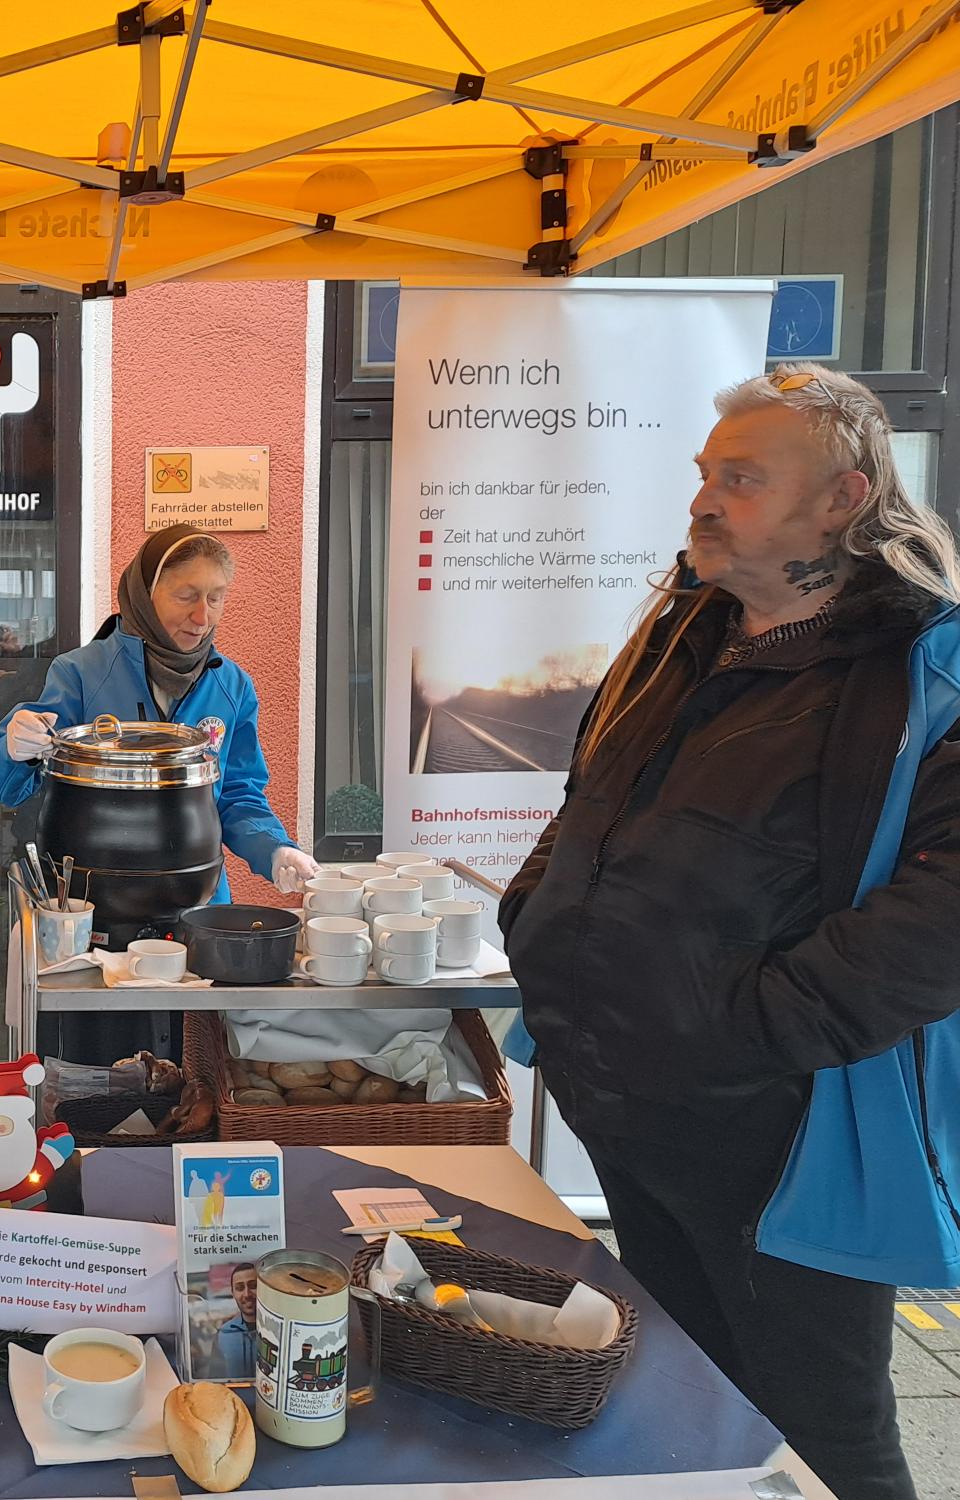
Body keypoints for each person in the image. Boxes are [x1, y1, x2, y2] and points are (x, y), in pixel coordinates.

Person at [502, 365, 960, 1500]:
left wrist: (754, 1030)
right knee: (686, 1393)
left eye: (741, 480)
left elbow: (939, 917)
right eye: (706, 476)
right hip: (626, 1101)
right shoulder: (682, 635)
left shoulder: (922, 669)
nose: (704, 502)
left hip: (781, 1139)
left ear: (843, 497)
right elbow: (590, 801)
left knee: (823, 1433)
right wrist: (535, 914)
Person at [0, 525, 317, 1057]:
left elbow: (239, 794)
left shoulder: (230, 686)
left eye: (216, 597)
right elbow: (8, 784)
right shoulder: (82, 673)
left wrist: (274, 848)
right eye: (186, 595)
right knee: (97, 1067)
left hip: (197, 910)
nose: (202, 616)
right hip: (92, 917)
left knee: (195, 1063)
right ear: (144, 593)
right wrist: (16, 743)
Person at [214, 1262, 260, 1376]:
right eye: (239, 1288)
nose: (247, 1294)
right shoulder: (223, 1334)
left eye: (253, 1286)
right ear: (233, 1293)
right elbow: (214, 1377)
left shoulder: (277, 1331)